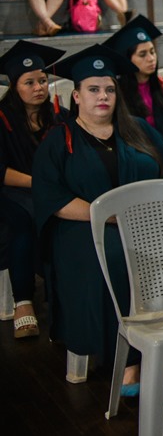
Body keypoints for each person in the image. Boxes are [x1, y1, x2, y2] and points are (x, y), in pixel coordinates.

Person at [33, 45, 163, 393]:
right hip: (83, 227)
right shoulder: (59, 140)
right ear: (75, 96)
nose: (102, 96)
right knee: (117, 259)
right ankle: (132, 359)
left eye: (109, 89)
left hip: (148, 223)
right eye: (93, 89)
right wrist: (110, 216)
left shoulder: (137, 131)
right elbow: (52, 198)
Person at [0, 41, 67, 339]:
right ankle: (23, 301)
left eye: (42, 80)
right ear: (15, 86)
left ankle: (61, 297)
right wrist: (39, 183)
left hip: (50, 191)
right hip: (11, 191)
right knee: (23, 224)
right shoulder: (1, 119)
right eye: (29, 82)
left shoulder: (60, 114)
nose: (39, 87)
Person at [103, 15, 163, 139]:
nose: (151, 59)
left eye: (152, 52)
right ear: (128, 60)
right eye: (142, 54)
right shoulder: (116, 93)